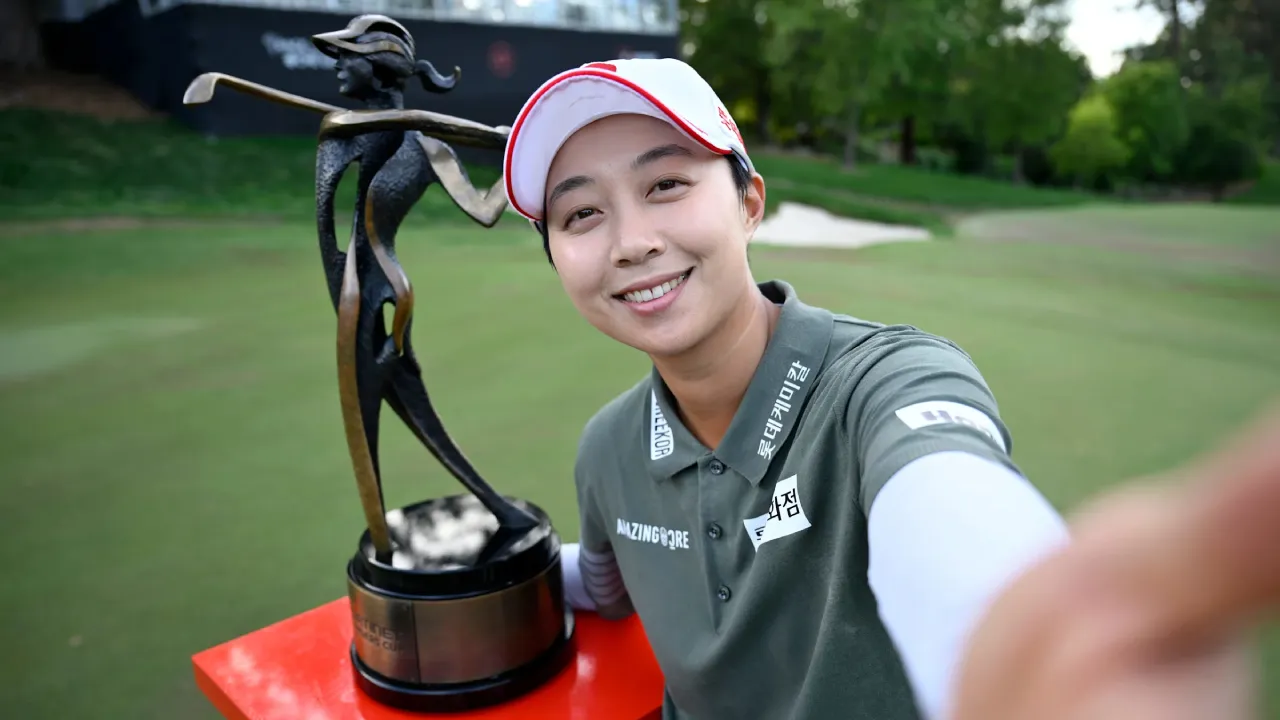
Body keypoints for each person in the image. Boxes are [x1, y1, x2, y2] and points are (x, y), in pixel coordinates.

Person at [500, 58, 1280, 720]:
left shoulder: (887, 383)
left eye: (666, 183)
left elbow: (942, 503)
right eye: (582, 213)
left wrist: (1011, 632)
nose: (632, 241)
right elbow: (605, 584)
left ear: (747, 202)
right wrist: (477, 573)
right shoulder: (608, 446)